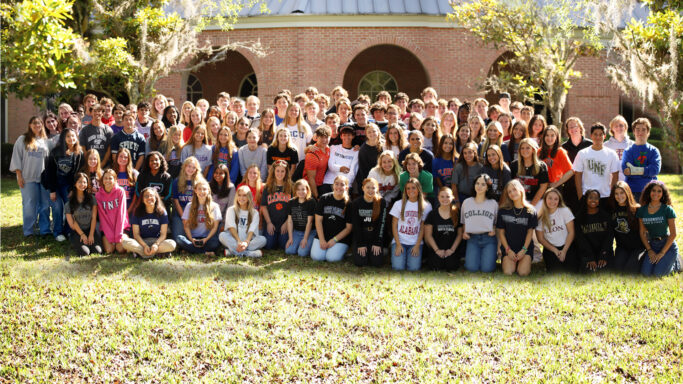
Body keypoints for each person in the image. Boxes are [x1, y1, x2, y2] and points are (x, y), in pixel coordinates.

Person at [11, 116, 52, 237]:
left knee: (45, 204)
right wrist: (19, 176)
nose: (37, 125)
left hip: (43, 179)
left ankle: (45, 229)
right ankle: (29, 231)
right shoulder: (22, 139)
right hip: (28, 178)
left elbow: (49, 160)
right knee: (30, 204)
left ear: (42, 125)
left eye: (39, 123)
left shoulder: (45, 141)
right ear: (30, 125)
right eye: (34, 123)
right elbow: (17, 157)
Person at [44, 128, 84, 241]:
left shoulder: (79, 153)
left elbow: (77, 174)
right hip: (55, 184)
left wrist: (72, 189)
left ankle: (68, 231)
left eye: (73, 136)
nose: (71, 139)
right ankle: (57, 232)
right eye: (68, 136)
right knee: (57, 207)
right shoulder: (55, 152)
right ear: (63, 138)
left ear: (76, 138)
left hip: (68, 185)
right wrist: (52, 190)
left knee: (70, 206)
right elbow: (49, 172)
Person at [637, 181, 680, 277]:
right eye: (653, 190)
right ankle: (665, 262)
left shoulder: (667, 209)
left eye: (659, 191)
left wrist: (662, 253)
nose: (656, 193)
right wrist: (649, 250)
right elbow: (642, 233)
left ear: (663, 194)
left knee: (657, 274)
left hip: (667, 246)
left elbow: (673, 234)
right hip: (653, 245)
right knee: (646, 273)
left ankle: (676, 263)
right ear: (649, 192)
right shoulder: (642, 210)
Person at [572, 123, 620, 208]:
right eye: (595, 134)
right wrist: (580, 196)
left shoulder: (611, 154)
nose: (598, 137)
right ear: (591, 136)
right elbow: (578, 175)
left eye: (601, 134)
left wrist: (612, 195)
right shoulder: (582, 153)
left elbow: (615, 175)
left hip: (605, 196)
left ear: (605, 136)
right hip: (587, 195)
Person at [390, 178, 432, 271]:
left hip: (415, 243)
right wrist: (398, 244)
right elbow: (394, 226)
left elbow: (422, 228)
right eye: (408, 188)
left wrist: (417, 245)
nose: (410, 191)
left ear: (418, 189)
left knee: (414, 268)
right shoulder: (398, 204)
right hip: (400, 241)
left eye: (413, 188)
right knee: (397, 268)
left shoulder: (426, 206)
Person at [497, 180, 538, 276]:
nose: (512, 193)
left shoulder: (531, 211)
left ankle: (523, 262)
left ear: (521, 190)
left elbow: (530, 233)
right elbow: (501, 233)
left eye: (514, 190)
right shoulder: (503, 211)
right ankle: (511, 262)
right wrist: (508, 250)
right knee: (508, 272)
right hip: (509, 249)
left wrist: (523, 250)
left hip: (525, 248)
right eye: (509, 192)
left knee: (523, 273)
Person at [122, 187, 176, 258]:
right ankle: (156, 253)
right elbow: (136, 235)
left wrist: (156, 244)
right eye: (146, 196)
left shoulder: (162, 212)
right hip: (141, 241)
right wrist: (144, 246)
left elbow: (163, 234)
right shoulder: (137, 212)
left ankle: (142, 254)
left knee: (172, 244)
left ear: (156, 198)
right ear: (142, 199)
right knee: (125, 243)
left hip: (156, 241)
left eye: (151, 196)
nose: (149, 198)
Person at [461, 174, 499, 273]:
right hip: (472, 238)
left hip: (489, 239)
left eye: (483, 184)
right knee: (471, 268)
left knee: (487, 269)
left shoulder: (493, 203)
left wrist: (494, 229)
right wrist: (464, 232)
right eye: (477, 183)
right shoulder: (466, 202)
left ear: (487, 187)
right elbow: (464, 222)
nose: (479, 186)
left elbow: (496, 223)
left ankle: (488, 258)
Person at [310, 175, 353, 262]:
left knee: (332, 258)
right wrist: (322, 240)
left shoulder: (349, 204)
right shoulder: (324, 198)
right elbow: (318, 221)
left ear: (346, 187)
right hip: (323, 235)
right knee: (317, 257)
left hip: (339, 239)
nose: (339, 187)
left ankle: (341, 251)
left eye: (342, 185)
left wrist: (334, 240)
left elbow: (348, 228)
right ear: (333, 185)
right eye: (336, 184)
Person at [535, 188, 579, 273]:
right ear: (545, 199)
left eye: (556, 199)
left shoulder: (565, 211)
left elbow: (571, 232)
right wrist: (555, 251)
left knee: (572, 271)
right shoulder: (541, 217)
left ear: (559, 200)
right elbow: (541, 239)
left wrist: (564, 251)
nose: (552, 201)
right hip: (551, 249)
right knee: (555, 272)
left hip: (567, 246)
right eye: (550, 198)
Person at [220, 185, 267, 257]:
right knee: (222, 235)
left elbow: (251, 230)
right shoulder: (231, 210)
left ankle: (232, 252)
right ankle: (249, 254)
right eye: (239, 195)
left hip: (248, 241)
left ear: (249, 197)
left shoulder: (254, 213)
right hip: (235, 240)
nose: (241, 198)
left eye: (244, 195)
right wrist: (239, 241)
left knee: (263, 240)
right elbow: (232, 228)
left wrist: (246, 242)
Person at [177, 179, 222, 255]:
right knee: (179, 239)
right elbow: (186, 226)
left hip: (207, 239)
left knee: (215, 243)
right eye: (199, 189)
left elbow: (215, 227)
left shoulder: (215, 206)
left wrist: (206, 239)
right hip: (193, 238)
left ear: (208, 191)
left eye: (204, 189)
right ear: (195, 191)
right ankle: (205, 252)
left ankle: (192, 251)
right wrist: (192, 239)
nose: (202, 192)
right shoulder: (189, 206)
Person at [621, 118, 661, 202]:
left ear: (648, 133)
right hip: (632, 190)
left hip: (651, 191)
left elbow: (655, 170)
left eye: (643, 130)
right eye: (637, 129)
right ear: (634, 132)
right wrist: (646, 172)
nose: (640, 132)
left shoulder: (654, 151)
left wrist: (635, 170)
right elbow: (627, 171)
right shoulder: (628, 151)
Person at [609, 181, 644, 273]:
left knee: (630, 270)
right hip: (622, 248)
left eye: (622, 193)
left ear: (627, 192)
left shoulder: (637, 209)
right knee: (617, 270)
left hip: (638, 247)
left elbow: (644, 232)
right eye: (616, 194)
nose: (619, 196)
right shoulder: (611, 210)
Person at [424, 187, 463, 271]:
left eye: (448, 196)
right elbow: (428, 235)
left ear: (452, 198)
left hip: (451, 250)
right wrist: (437, 250)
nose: (445, 199)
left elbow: (460, 234)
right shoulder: (432, 214)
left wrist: (452, 250)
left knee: (451, 266)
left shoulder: (457, 213)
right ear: (438, 197)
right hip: (437, 249)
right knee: (435, 266)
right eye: (442, 196)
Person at [350, 178, 388, 267]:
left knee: (377, 263)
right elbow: (356, 225)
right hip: (362, 234)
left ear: (377, 189)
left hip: (374, 234)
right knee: (360, 262)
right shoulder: (356, 203)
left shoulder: (381, 202)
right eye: (368, 187)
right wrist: (360, 244)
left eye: (373, 188)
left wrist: (377, 242)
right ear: (363, 188)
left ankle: (382, 250)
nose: (370, 190)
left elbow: (382, 224)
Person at [575, 190, 614, 272]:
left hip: (604, 252)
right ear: (586, 199)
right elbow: (581, 240)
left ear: (599, 201)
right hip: (587, 253)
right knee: (589, 272)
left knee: (605, 272)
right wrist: (590, 257)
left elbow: (609, 238)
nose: (593, 200)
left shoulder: (606, 216)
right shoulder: (579, 218)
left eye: (596, 198)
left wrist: (603, 255)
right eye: (590, 198)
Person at [65, 173, 103, 256]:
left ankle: (89, 242)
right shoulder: (69, 203)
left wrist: (91, 234)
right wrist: (82, 234)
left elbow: (94, 217)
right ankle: (76, 242)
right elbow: (72, 223)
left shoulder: (92, 198)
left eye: (84, 182)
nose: (82, 184)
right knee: (85, 252)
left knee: (98, 251)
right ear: (75, 184)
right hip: (77, 232)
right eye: (79, 182)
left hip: (91, 229)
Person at [561, 117, 592, 210]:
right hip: (569, 188)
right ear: (567, 130)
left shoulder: (590, 145)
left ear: (580, 128)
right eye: (570, 127)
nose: (573, 129)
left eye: (575, 126)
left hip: (587, 186)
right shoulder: (563, 147)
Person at [261, 160, 293, 250]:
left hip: (285, 223)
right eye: (277, 171)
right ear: (273, 172)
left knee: (284, 246)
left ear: (286, 173)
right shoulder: (268, 187)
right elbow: (264, 207)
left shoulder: (291, 187)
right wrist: (269, 223)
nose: (280, 173)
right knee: (269, 245)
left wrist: (287, 223)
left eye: (282, 171)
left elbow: (294, 208)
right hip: (272, 223)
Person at [171, 157, 205, 240]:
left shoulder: (200, 182)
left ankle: (193, 242)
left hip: (195, 210)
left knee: (196, 234)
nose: (191, 169)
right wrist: (183, 217)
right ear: (184, 167)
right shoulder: (177, 181)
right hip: (180, 211)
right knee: (178, 237)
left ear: (197, 169)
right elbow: (176, 201)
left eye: (194, 167)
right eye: (189, 166)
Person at [96, 169, 129, 254]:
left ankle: (126, 241)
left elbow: (121, 214)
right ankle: (113, 242)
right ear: (102, 180)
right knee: (109, 250)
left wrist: (118, 235)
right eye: (105, 178)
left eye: (110, 178)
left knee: (121, 249)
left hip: (121, 227)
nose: (107, 180)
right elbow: (103, 218)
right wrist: (111, 237)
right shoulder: (98, 195)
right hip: (107, 228)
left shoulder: (120, 191)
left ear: (115, 180)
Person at [510, 138, 549, 207]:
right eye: (522, 148)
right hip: (518, 201)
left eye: (528, 148)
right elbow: (511, 185)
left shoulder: (541, 166)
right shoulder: (514, 165)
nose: (525, 150)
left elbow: (543, 187)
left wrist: (532, 205)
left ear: (533, 150)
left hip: (537, 202)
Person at [322, 126, 359, 194]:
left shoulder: (356, 152)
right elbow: (331, 165)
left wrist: (345, 184)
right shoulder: (333, 148)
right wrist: (340, 168)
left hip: (345, 185)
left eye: (349, 135)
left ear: (353, 136)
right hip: (329, 182)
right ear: (341, 136)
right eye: (344, 135)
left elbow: (353, 172)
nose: (346, 137)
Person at [285, 179, 317, 257]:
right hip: (297, 231)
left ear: (307, 190)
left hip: (310, 232)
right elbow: (289, 221)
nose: (301, 192)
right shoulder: (291, 202)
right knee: (289, 251)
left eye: (303, 189)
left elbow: (309, 222)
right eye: (298, 189)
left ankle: (312, 245)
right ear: (295, 191)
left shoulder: (311, 202)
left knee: (302, 253)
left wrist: (305, 238)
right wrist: (290, 238)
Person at [540, 125, 573, 191]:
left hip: (555, 188)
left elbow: (571, 171)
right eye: (547, 135)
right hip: (541, 187)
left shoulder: (560, 152)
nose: (549, 138)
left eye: (552, 135)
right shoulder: (539, 152)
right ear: (543, 137)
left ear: (556, 137)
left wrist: (556, 184)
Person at [304, 126, 331, 199]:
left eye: (326, 137)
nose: (324, 140)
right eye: (321, 137)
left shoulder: (328, 148)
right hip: (311, 188)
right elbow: (311, 178)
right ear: (316, 138)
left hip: (322, 185)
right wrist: (317, 196)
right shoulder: (312, 154)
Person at [604, 115, 632, 181]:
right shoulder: (605, 146)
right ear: (612, 129)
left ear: (625, 127)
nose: (619, 128)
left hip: (628, 181)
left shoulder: (632, 145)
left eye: (621, 125)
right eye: (616, 126)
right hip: (610, 181)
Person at [357, 123, 383, 192]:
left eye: (374, 131)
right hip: (370, 178)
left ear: (378, 132)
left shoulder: (384, 145)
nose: (372, 134)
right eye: (369, 132)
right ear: (366, 134)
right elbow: (363, 169)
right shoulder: (363, 149)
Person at [114, 148, 139, 216]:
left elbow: (136, 194)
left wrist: (129, 210)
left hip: (130, 207)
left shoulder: (134, 173)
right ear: (117, 158)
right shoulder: (113, 173)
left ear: (129, 159)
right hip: (114, 208)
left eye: (125, 157)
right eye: (121, 156)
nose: (123, 159)